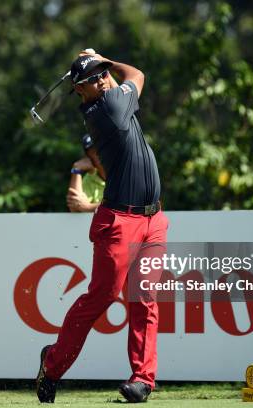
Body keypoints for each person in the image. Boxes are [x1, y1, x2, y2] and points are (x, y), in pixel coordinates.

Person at [36, 50, 169, 403]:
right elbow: (137, 74)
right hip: (119, 221)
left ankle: (142, 379)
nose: (102, 78)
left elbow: (126, 78)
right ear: (82, 92)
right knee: (103, 296)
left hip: (153, 219)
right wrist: (105, 57)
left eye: (103, 72)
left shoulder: (109, 97)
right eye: (93, 78)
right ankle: (52, 364)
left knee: (145, 300)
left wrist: (99, 61)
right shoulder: (107, 108)